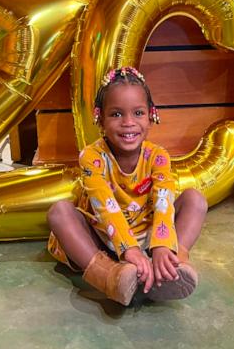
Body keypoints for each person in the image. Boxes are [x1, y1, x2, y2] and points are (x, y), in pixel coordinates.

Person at [47, 67, 207, 306]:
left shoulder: (158, 156)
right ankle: (109, 275)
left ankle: (174, 262)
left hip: (147, 233)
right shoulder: (91, 157)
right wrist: (128, 249)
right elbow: (105, 205)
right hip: (103, 235)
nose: (129, 123)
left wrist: (163, 245)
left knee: (195, 199)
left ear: (151, 115)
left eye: (138, 113)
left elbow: (164, 198)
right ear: (100, 118)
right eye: (116, 114)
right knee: (59, 212)